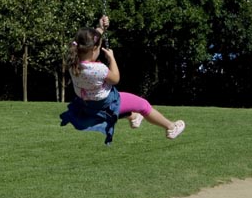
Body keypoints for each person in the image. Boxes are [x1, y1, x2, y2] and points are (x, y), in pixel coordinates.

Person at [60, 16, 186, 145]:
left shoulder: (72, 62)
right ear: (93, 49)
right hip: (107, 102)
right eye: (99, 48)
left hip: (88, 105)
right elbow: (115, 79)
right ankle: (171, 127)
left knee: (114, 111)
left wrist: (100, 28)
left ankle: (134, 117)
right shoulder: (98, 69)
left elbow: (89, 40)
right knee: (143, 105)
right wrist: (112, 58)